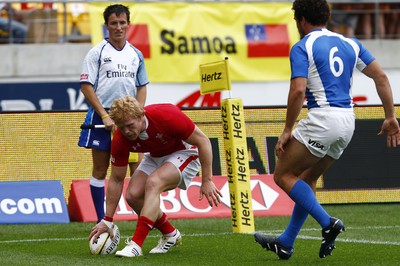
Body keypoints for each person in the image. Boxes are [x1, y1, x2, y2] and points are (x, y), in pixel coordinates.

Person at [254, 0, 400, 260]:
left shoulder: (302, 46)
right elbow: (382, 77)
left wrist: (287, 129)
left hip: (323, 119)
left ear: (301, 19)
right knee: (307, 179)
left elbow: (298, 90)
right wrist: (390, 116)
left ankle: (328, 222)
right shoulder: (350, 43)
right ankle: (286, 242)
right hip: (347, 122)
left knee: (283, 175)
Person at [88, 95, 222, 257]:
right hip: (156, 156)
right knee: (133, 195)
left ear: (141, 116)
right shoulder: (120, 138)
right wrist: (107, 219)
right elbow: (116, 180)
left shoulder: (166, 115)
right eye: (122, 127)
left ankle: (136, 245)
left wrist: (207, 180)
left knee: (153, 183)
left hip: (186, 152)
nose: (127, 132)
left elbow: (203, 141)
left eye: (130, 125)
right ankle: (170, 234)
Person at [78, 4, 149, 223]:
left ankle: (147, 217)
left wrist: (138, 114)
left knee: (137, 169)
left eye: (122, 23)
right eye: (113, 23)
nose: (118, 27)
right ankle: (102, 221)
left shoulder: (136, 54)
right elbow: (86, 86)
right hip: (103, 116)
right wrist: (105, 115)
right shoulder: (96, 52)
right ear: (106, 25)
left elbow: (142, 85)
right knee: (100, 169)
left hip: (129, 118)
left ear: (128, 24)